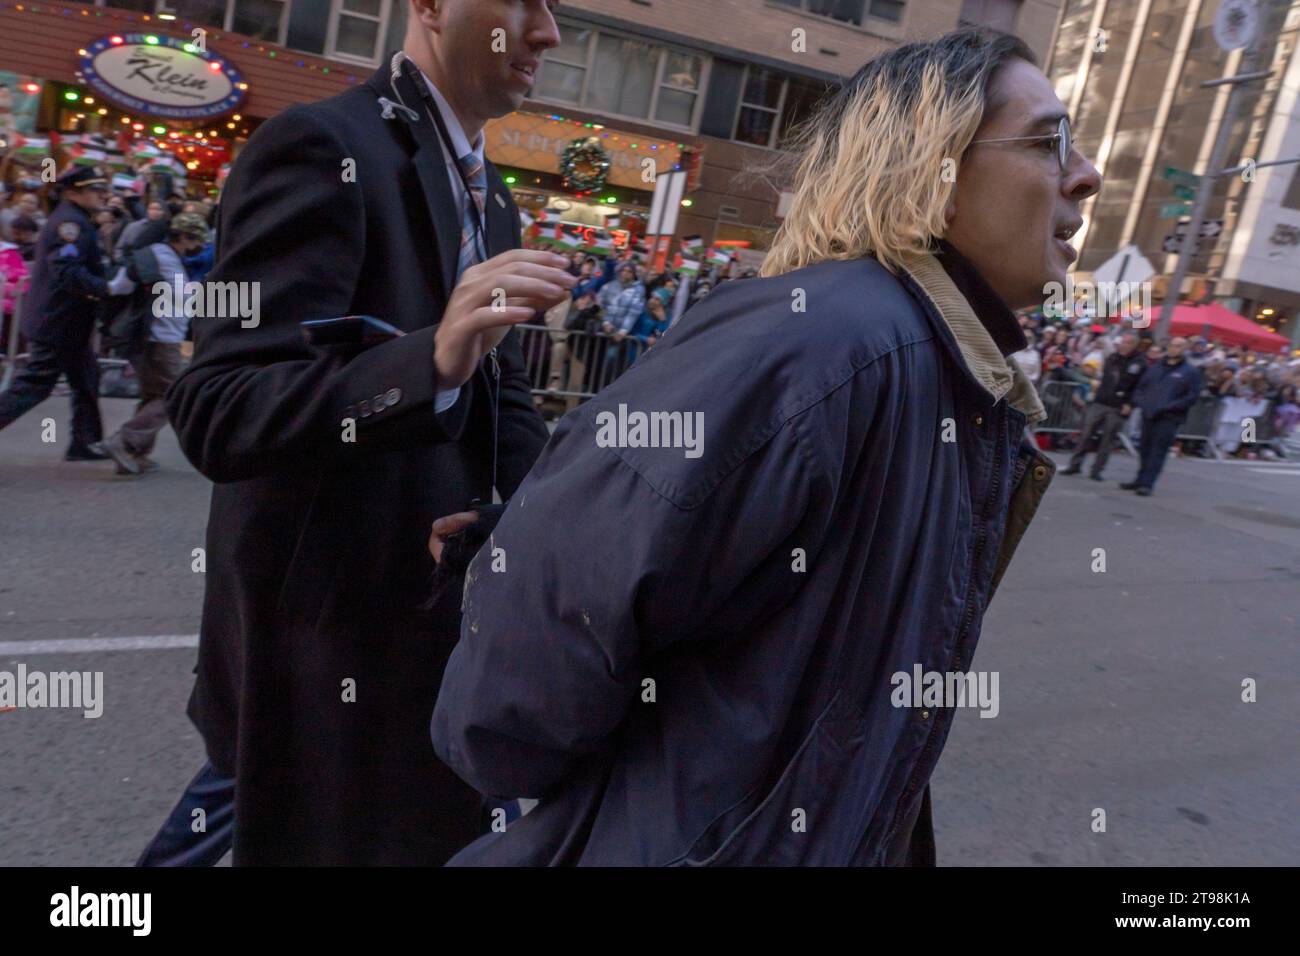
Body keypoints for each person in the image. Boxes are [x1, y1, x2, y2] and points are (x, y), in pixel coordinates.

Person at [430, 26, 1100, 866]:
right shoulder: (827, 340)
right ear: (932, 168)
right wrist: (514, 762)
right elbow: (564, 587)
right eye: (1047, 142)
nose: (1086, 173)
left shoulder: (939, 368)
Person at [155, 0, 568, 866]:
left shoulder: (492, 201)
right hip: (312, 653)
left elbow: (506, 401)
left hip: (417, 646)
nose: (548, 34)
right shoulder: (321, 147)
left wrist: (568, 516)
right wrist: (432, 361)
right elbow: (219, 408)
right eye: (524, 2)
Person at [0, 166, 134, 459]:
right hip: (58, 320)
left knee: (86, 380)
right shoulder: (69, 224)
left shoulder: (79, 219)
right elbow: (68, 272)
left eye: (102, 189)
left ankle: (84, 443)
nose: (102, 194)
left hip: (69, 320)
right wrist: (108, 287)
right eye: (94, 190)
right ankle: (84, 443)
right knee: (34, 385)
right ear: (74, 192)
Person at [100, 213, 211, 476]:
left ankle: (134, 455)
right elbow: (122, 286)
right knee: (173, 398)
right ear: (183, 236)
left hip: (156, 336)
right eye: (193, 240)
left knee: (153, 396)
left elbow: (122, 286)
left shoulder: (165, 257)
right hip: (162, 338)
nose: (195, 247)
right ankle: (124, 440)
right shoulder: (158, 256)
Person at [1123, 336, 1202, 496]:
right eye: (1172, 345)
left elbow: (1191, 396)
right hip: (1149, 414)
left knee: (1157, 451)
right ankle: (1139, 479)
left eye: (1179, 346)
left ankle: (1147, 483)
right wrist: (1141, 402)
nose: (1174, 349)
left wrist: (1170, 406)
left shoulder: (1190, 371)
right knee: (1144, 448)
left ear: (1185, 349)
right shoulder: (1157, 367)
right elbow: (1141, 386)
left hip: (1169, 417)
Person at [1062, 330, 1144, 479]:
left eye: (1128, 343)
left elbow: (1140, 387)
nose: (1124, 345)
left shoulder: (1139, 362)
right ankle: (1075, 464)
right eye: (1123, 342)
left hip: (1119, 406)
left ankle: (1097, 470)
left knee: (1108, 438)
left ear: (1135, 345)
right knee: (1085, 434)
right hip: (1100, 401)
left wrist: (1130, 404)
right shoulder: (1112, 358)